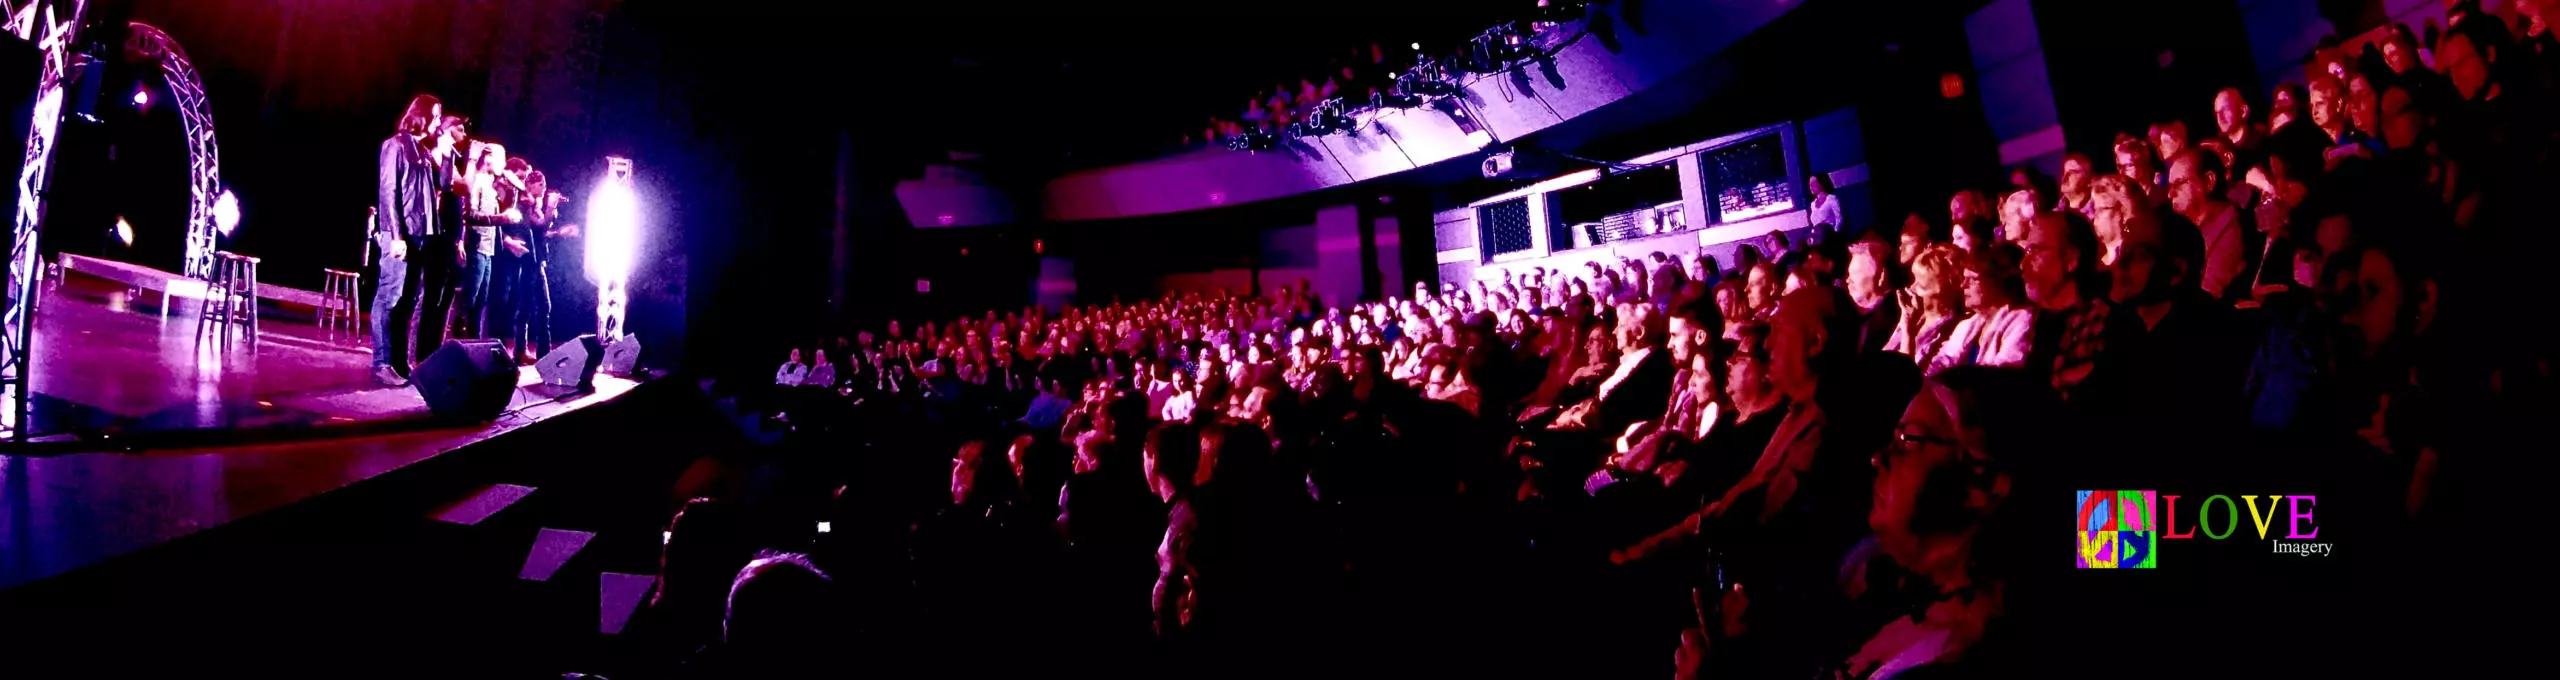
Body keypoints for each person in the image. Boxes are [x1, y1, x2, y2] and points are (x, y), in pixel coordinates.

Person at [370, 94, 442, 386]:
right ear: (422, 115)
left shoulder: (421, 150)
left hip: (420, 235)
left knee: (407, 300)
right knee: (389, 297)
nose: (438, 122)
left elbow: (443, 184)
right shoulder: (396, 144)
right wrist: (396, 235)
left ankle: (399, 363)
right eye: (436, 116)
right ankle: (381, 363)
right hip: (400, 235)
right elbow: (388, 192)